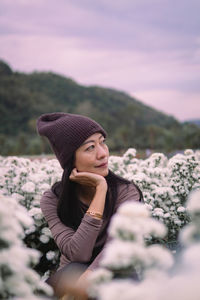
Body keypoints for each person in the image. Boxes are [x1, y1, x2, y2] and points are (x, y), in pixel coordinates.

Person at [37, 112, 143, 298]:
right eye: (90, 148)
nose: (103, 153)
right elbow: (79, 255)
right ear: (70, 160)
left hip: (117, 275)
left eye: (102, 142)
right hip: (71, 277)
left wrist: (90, 277)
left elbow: (117, 249)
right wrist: (100, 191)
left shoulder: (126, 192)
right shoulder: (53, 199)